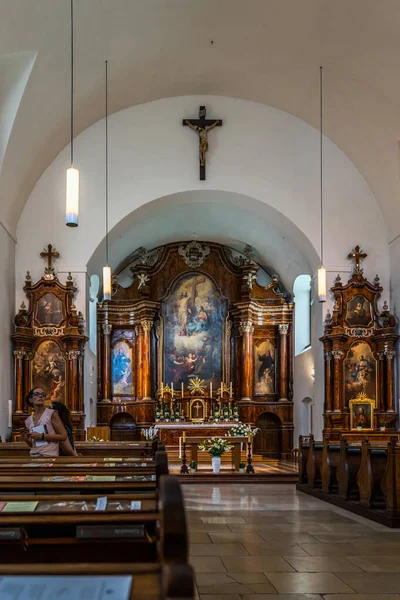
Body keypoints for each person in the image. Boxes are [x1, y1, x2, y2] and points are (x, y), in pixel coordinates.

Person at [22, 387, 68, 457]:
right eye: (36, 394)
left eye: (43, 394)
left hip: (49, 456)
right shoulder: (28, 420)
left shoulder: (51, 414)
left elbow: (63, 436)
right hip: (34, 456)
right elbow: (34, 444)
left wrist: (42, 436)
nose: (40, 396)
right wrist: (26, 440)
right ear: (31, 399)